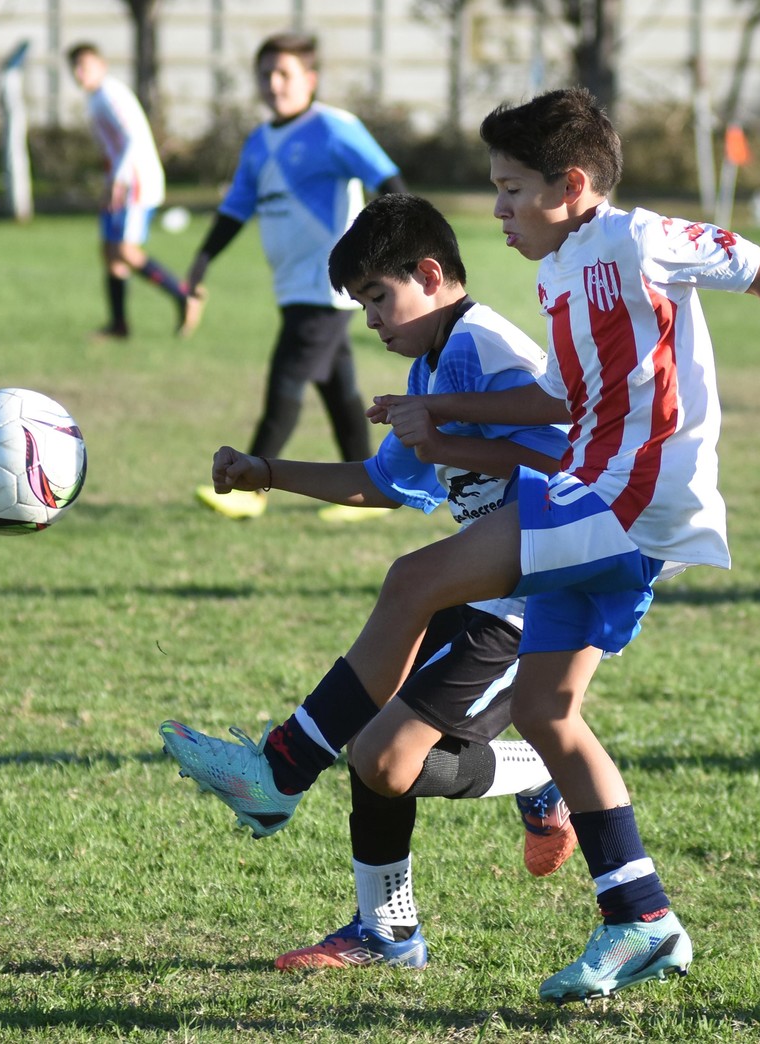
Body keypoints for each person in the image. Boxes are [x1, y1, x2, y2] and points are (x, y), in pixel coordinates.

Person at [163, 86, 760, 1002]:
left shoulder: (632, 238)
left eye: (508, 190)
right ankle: (641, 918)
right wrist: (409, 438)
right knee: (546, 711)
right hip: (597, 496)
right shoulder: (558, 275)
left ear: (571, 185)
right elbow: (560, 407)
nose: (495, 210)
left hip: (631, 496)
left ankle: (282, 767)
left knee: (413, 580)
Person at [164, 193, 577, 970]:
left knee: (387, 750)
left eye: (379, 298)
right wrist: (268, 473)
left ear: (430, 273)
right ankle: (388, 930)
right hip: (478, 587)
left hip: (536, 603)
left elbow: (578, 461)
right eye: (361, 305)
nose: (371, 321)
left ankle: (281, 772)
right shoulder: (434, 359)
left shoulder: (483, 348)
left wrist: (447, 428)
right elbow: (385, 483)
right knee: (381, 757)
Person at [188, 32, 407, 521]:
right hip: (291, 286)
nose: (273, 83)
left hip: (326, 285)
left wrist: (396, 244)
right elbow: (235, 209)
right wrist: (202, 260)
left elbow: (389, 180)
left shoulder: (334, 127)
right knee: (337, 385)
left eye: (284, 73)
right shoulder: (259, 141)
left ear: (309, 79)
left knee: (286, 377)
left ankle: (249, 486)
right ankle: (375, 490)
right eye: (265, 73)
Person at [66, 43, 204, 341]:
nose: (79, 73)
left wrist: (118, 179)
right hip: (120, 180)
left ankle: (184, 295)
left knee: (125, 251)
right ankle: (119, 325)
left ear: (101, 66)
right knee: (110, 251)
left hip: (136, 181)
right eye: (75, 68)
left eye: (85, 66)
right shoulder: (96, 97)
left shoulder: (110, 94)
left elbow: (131, 138)